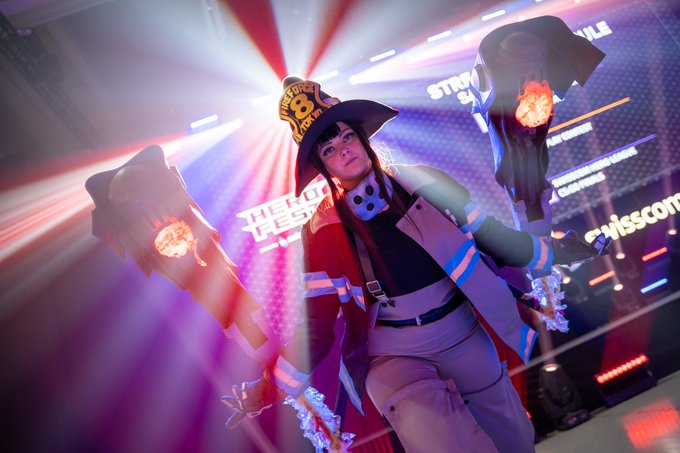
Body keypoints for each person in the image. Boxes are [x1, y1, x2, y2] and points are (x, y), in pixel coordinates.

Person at [222, 76, 604, 452]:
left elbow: (494, 238)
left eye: (347, 137)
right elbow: (316, 324)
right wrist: (269, 387)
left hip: (461, 331)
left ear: (362, 137)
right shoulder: (322, 231)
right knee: (442, 441)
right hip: (392, 353)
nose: (344, 150)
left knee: (514, 441)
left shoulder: (425, 182)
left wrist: (557, 251)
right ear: (323, 166)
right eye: (329, 149)